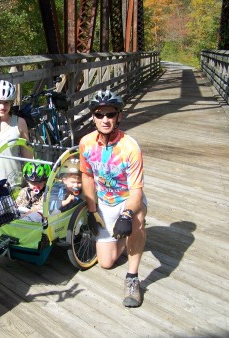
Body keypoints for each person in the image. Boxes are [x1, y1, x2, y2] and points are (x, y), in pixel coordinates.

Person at [79, 90, 147, 308]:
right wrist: (92, 211)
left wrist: (127, 215)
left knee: (136, 222)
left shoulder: (130, 147)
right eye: (99, 115)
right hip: (105, 202)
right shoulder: (86, 143)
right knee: (106, 263)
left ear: (119, 116)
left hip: (128, 200)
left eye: (110, 114)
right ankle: (122, 238)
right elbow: (87, 175)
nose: (105, 120)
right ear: (93, 117)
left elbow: (136, 190)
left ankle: (132, 278)